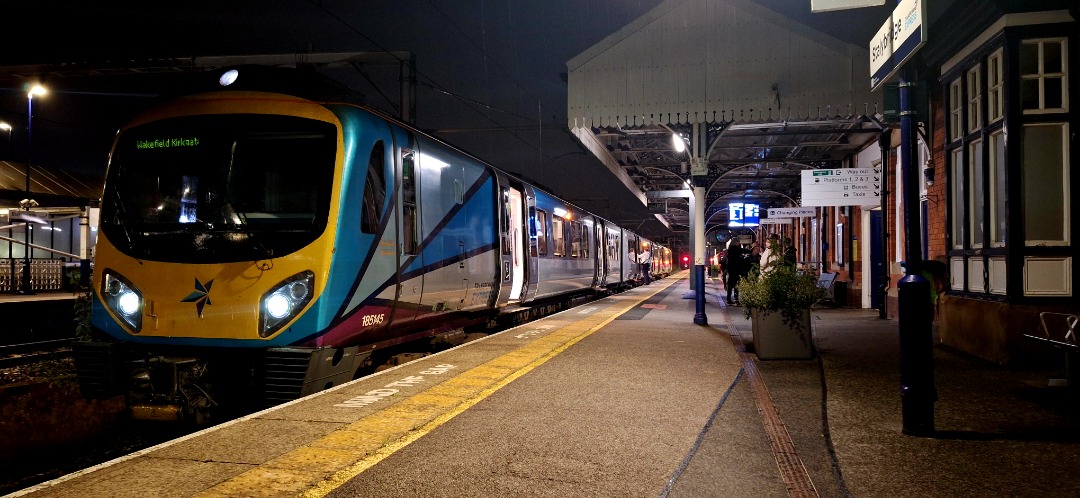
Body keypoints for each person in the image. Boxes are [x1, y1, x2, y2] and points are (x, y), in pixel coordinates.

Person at [725, 240, 749, 305]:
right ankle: (736, 299)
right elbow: (744, 251)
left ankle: (729, 299)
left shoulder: (730, 250)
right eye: (738, 241)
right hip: (736, 269)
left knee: (730, 285)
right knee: (736, 285)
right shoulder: (736, 249)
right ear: (735, 242)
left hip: (731, 269)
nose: (739, 243)